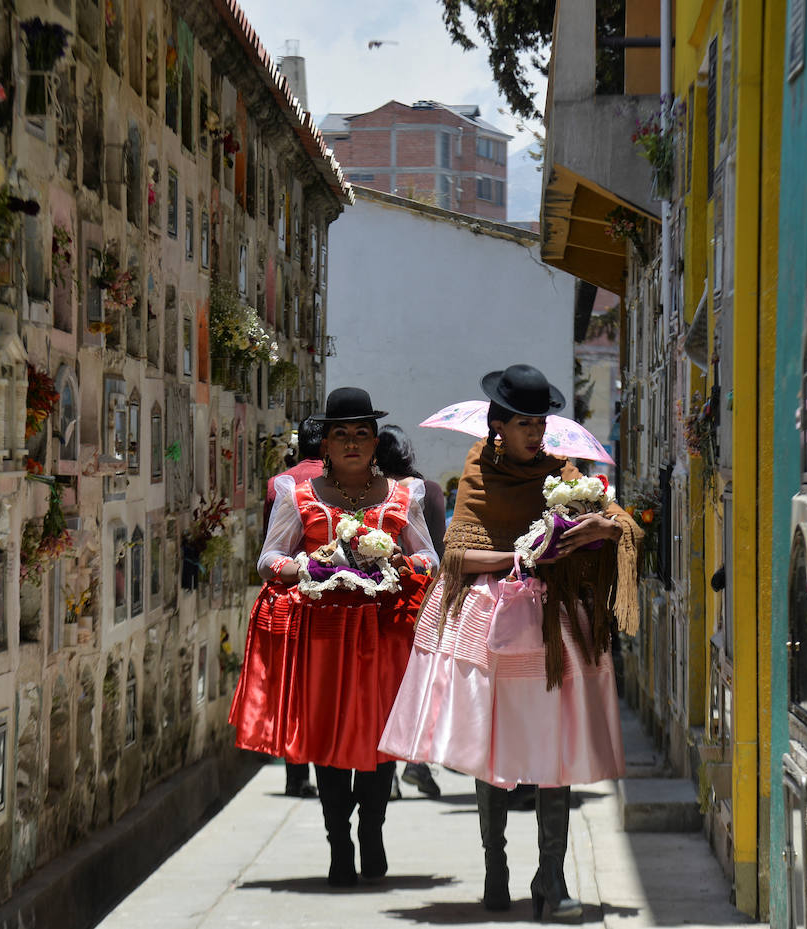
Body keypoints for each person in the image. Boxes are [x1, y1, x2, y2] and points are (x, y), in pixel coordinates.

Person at [380, 364, 641, 920]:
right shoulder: (479, 473)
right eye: (524, 422)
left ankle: (552, 878)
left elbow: (613, 519)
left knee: (555, 752)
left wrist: (598, 527)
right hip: (492, 625)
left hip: (558, 625)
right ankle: (495, 866)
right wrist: (522, 555)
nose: (535, 433)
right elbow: (457, 556)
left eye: (540, 421)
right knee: (491, 753)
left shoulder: (563, 470)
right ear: (498, 425)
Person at [230, 388, 438, 887]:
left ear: (374, 441)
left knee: (378, 738)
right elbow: (268, 559)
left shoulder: (404, 495)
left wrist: (395, 563)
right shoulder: (296, 495)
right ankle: (338, 841)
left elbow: (429, 557)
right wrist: (306, 565)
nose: (351, 443)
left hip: (383, 632)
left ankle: (372, 830)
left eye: (361, 434)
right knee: (328, 739)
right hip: (322, 632)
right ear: (325, 443)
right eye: (340, 434)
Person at [374, 425, 444, 800]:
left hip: (383, 602)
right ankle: (415, 762)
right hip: (425, 598)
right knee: (421, 684)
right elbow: (439, 551)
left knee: (387, 687)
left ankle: (390, 772)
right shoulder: (428, 491)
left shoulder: (373, 495)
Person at [263, 417, 325, 800]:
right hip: (334, 597)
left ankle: (295, 773)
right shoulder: (349, 485)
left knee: (292, 685)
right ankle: (327, 761)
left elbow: (270, 543)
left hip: (289, 594)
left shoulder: (279, 483)